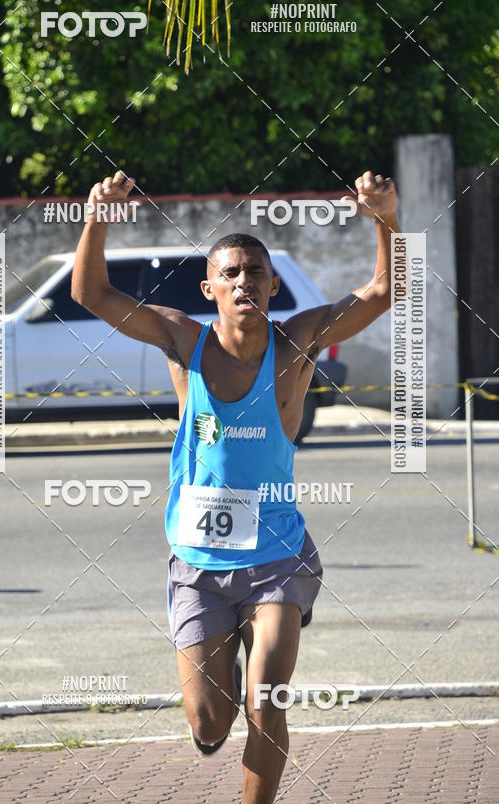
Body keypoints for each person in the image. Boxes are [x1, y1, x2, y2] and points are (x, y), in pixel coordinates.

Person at [72, 170, 399, 804]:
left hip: (278, 556)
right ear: (210, 288)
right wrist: (97, 215)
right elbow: (91, 292)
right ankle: (208, 720)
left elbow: (385, 290)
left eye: (255, 272)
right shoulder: (180, 339)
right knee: (210, 721)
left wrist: (385, 217)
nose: (244, 281)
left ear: (273, 285)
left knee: (266, 704)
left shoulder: (297, 342)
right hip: (196, 564)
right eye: (231, 273)